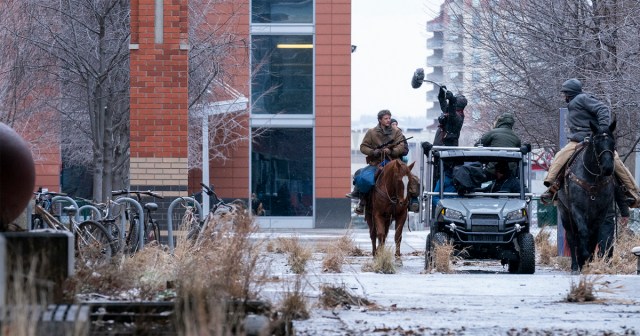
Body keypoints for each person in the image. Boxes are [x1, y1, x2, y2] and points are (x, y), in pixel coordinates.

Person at [540, 78, 640, 207]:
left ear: (569, 93)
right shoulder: (575, 102)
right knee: (561, 156)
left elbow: (603, 109)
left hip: (591, 140)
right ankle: (553, 186)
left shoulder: (581, 99)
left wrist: (602, 130)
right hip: (577, 140)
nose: (564, 95)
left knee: (614, 160)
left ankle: (633, 191)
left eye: (565, 93)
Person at [347, 109, 417, 214]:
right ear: (380, 120)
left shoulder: (396, 132)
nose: (388, 120)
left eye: (389, 118)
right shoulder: (371, 132)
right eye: (386, 118)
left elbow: (401, 147)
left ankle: (413, 203)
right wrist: (374, 152)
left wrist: (391, 150)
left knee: (414, 180)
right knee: (362, 176)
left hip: (394, 163)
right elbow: (363, 147)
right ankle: (362, 201)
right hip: (377, 163)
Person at [475, 112, 522, 179]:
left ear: (500, 121)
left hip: (492, 170)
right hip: (509, 172)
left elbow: (477, 146)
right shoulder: (516, 137)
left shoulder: (492, 132)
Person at [390, 118, 420, 212]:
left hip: (398, 162)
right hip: (384, 161)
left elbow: (406, 151)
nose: (394, 125)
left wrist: (396, 150)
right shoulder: (383, 135)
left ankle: (414, 201)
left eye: (395, 124)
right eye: (392, 124)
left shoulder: (401, 137)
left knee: (413, 179)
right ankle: (363, 202)